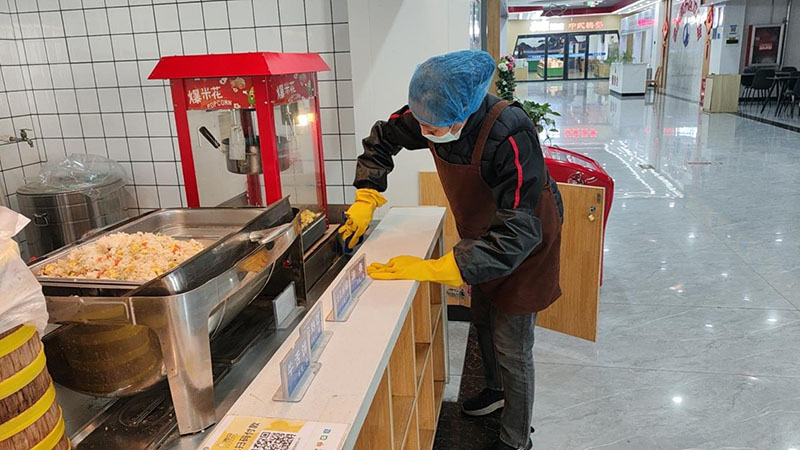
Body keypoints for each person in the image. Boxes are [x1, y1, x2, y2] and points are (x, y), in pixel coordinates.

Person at [338, 50, 563, 450]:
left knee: (512, 343)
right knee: (483, 320)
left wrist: (444, 267)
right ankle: (494, 392)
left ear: (464, 114)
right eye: (422, 124)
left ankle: (516, 438)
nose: (425, 132)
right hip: (483, 235)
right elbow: (384, 137)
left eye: (433, 127)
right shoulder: (432, 116)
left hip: (526, 241)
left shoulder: (510, 131)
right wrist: (367, 193)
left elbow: (519, 227)